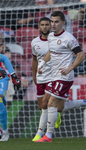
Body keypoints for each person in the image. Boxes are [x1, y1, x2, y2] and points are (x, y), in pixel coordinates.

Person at [35, 11, 85, 142]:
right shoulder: (51, 36)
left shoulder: (69, 38)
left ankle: (48, 135)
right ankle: (83, 102)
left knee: (52, 103)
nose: (53, 24)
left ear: (63, 23)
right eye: (52, 21)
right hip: (53, 75)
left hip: (64, 77)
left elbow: (81, 55)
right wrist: (42, 63)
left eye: (56, 21)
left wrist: (69, 68)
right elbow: (51, 51)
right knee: (49, 104)